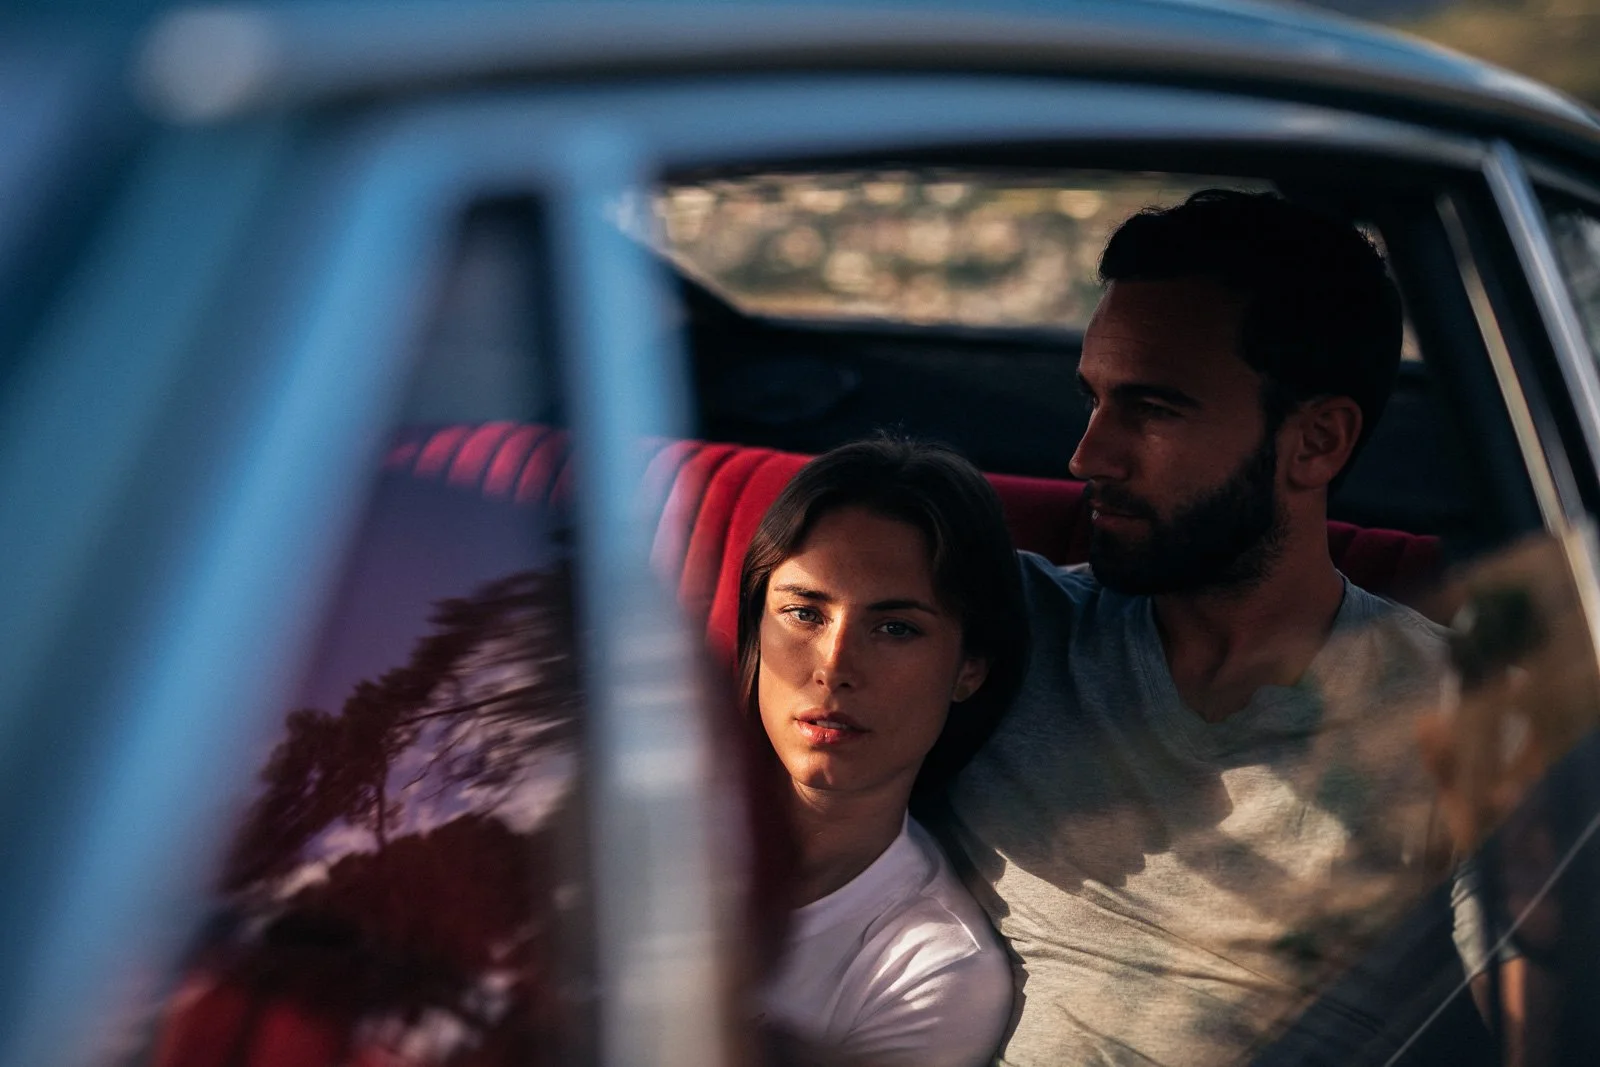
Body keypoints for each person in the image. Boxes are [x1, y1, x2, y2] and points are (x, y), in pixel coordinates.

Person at [941, 190, 1455, 1066]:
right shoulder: (1000, 626)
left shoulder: (1460, 708)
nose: (1087, 455)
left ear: (1317, 443)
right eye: (1094, 399)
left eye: (1152, 408)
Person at [736, 436, 1027, 1067]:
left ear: (968, 668)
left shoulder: (930, 971)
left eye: (896, 628)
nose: (835, 666)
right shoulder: (607, 821)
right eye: (804, 614)